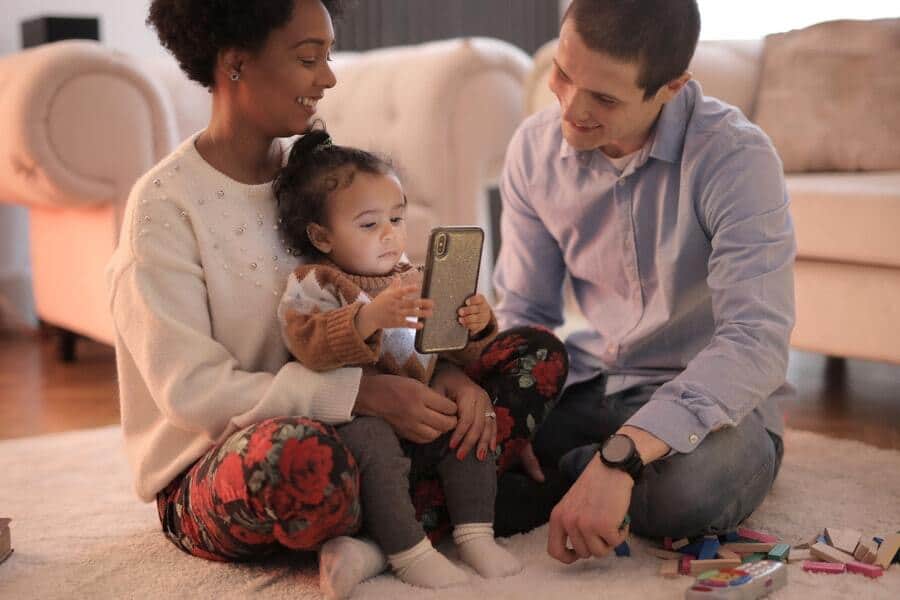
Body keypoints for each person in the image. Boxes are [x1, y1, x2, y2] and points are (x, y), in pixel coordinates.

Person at [108, 1, 567, 598]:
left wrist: (448, 373)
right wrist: (362, 396)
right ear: (235, 62)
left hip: (376, 434)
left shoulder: (322, 177)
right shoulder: (164, 209)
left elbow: (390, 294)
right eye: (308, 58)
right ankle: (442, 514)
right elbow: (195, 393)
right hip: (225, 460)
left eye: (327, 56)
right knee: (302, 462)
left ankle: (395, 528)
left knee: (534, 355)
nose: (327, 78)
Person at [493, 0, 796, 565]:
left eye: (604, 98)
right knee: (465, 441)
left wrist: (621, 459)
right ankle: (580, 481)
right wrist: (497, 408)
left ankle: (569, 483)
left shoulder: (737, 158)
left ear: (672, 87)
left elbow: (756, 342)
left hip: (713, 407)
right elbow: (526, 313)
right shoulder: (533, 151)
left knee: (690, 492)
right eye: (563, 73)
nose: (571, 108)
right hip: (593, 381)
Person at [271, 128, 523, 589]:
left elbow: (448, 353)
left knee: (466, 424)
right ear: (321, 236)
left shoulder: (416, 275)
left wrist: (475, 324)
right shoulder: (316, 284)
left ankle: (474, 533)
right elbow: (308, 343)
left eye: (397, 218)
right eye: (369, 225)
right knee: (372, 441)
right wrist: (367, 320)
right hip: (365, 425)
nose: (389, 235)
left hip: (425, 413)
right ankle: (409, 551)